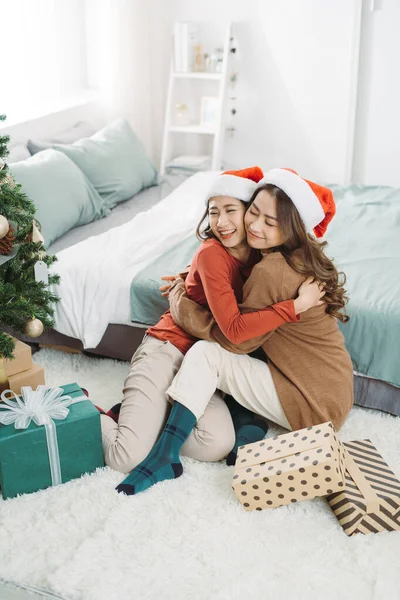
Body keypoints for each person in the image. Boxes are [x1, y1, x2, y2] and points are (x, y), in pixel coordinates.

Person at [116, 168, 353, 497]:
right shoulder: (295, 254)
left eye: (270, 223)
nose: (255, 226)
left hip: (310, 404)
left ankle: (163, 455)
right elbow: (218, 263)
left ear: (292, 228)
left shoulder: (271, 270)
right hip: (335, 393)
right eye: (254, 212)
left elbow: (235, 338)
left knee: (208, 354)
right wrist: (190, 274)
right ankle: (236, 424)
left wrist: (180, 301)